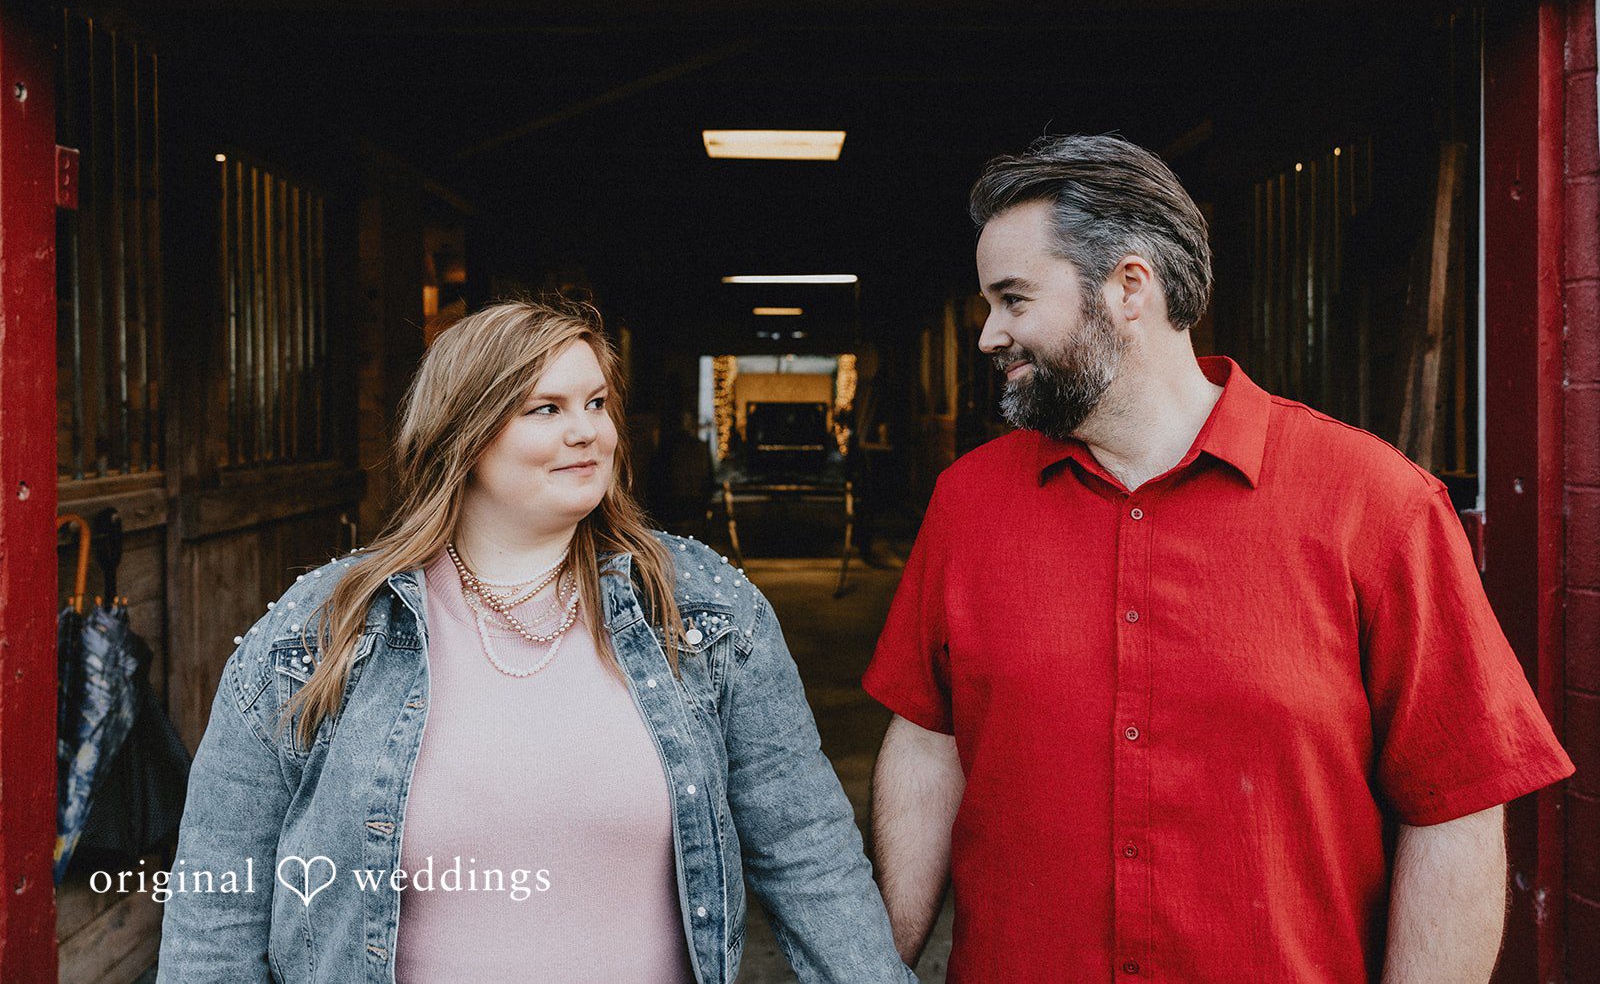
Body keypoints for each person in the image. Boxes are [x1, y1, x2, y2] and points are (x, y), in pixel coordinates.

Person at [864, 134, 1574, 982]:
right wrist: (874, 966)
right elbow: (926, 744)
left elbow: (1455, 805)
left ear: (1129, 288)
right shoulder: (968, 503)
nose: (989, 334)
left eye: (1013, 299)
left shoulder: (1373, 502)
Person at [157, 296, 915, 984]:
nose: (587, 429)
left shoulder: (704, 611)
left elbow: (808, 853)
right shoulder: (319, 629)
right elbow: (218, 909)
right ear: (463, 434)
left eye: (595, 402)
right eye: (545, 408)